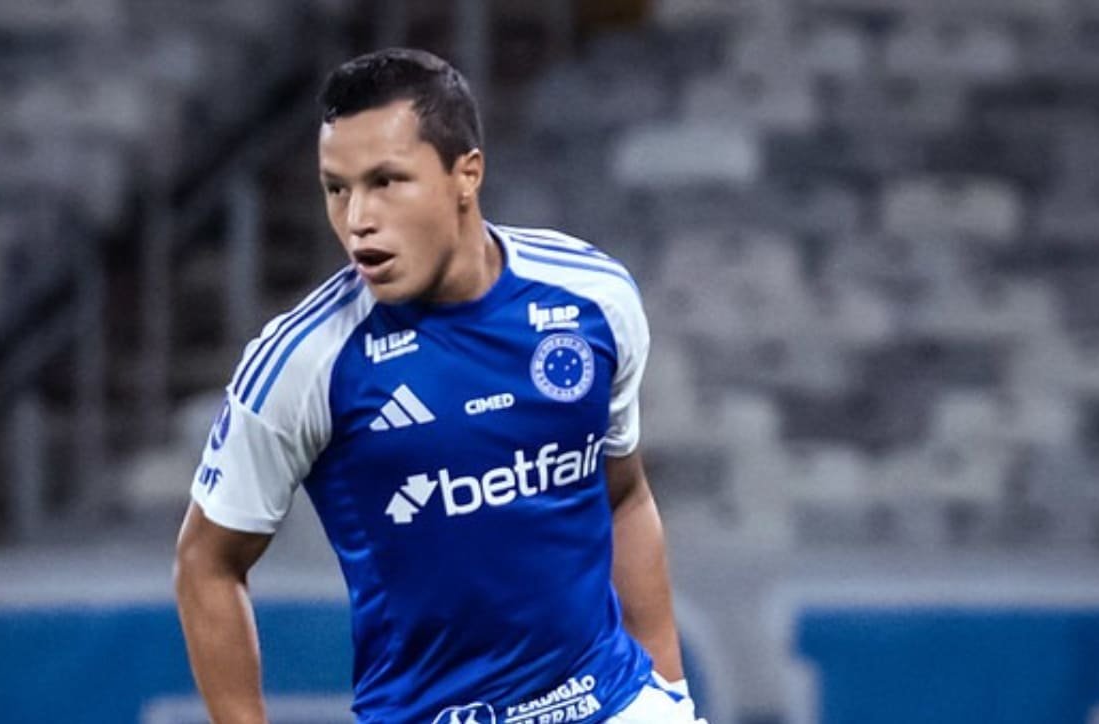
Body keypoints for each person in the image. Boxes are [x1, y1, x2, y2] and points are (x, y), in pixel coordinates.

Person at [174, 47, 707, 724]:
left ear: (467, 175)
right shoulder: (304, 360)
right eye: (337, 188)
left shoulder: (592, 296)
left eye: (386, 181)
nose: (357, 218)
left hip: (613, 703)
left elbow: (625, 495)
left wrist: (671, 692)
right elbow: (206, 563)